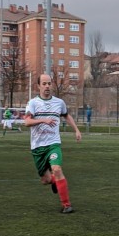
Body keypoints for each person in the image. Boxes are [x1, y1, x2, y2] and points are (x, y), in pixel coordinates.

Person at [24, 74, 82, 214]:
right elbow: (27, 122)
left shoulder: (59, 102)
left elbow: (66, 115)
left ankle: (66, 205)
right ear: (38, 86)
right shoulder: (33, 103)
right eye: (44, 83)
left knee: (56, 169)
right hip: (37, 147)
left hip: (53, 144)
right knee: (45, 180)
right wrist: (43, 120)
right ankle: (55, 182)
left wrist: (76, 130)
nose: (47, 86)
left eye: (49, 83)